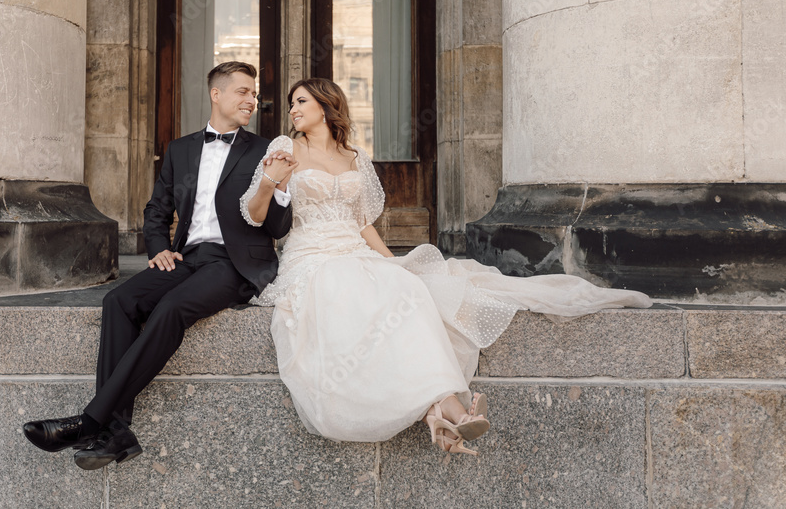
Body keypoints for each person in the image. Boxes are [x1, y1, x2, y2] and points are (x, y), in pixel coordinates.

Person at [242, 78, 652, 455]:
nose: (293, 109)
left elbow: (362, 222)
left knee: (407, 289)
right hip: (312, 255)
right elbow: (256, 214)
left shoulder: (353, 155)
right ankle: (448, 409)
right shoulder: (285, 148)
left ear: (327, 107)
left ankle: (448, 410)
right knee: (352, 294)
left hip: (355, 250)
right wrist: (268, 181)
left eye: (302, 101)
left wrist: (391, 263)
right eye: (293, 103)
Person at [23, 61, 295, 470]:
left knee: (171, 309)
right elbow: (157, 209)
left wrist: (277, 185)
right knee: (119, 301)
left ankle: (91, 423)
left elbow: (277, 226)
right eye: (243, 91)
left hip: (236, 264)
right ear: (216, 94)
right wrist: (158, 247)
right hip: (186, 256)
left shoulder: (263, 151)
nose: (252, 100)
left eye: (254, 94)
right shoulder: (181, 149)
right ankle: (115, 435)